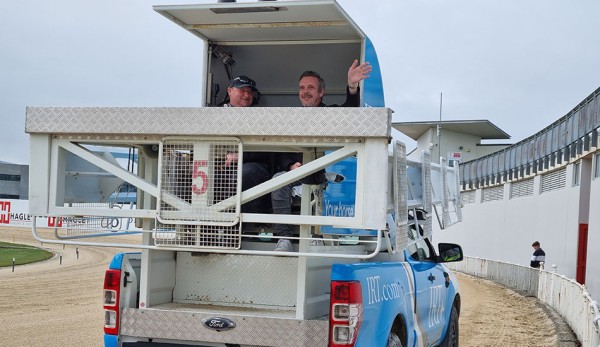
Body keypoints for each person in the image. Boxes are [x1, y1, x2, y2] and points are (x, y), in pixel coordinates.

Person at [272, 60, 372, 252]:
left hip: (325, 174)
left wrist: (352, 86)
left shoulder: (331, 113)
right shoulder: (289, 118)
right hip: (298, 174)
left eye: (311, 87)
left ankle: (317, 235)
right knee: (277, 180)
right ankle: (283, 239)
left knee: (327, 183)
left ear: (321, 92)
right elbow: (280, 150)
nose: (305, 91)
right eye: (302, 87)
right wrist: (292, 165)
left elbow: (350, 113)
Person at [220, 75, 272, 213]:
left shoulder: (261, 117)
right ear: (229, 91)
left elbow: (269, 149)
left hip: (255, 166)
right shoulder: (216, 114)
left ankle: (238, 228)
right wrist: (222, 157)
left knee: (244, 174)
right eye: (242, 90)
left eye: (250, 92)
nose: (247, 95)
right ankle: (199, 224)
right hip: (222, 164)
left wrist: (240, 155)